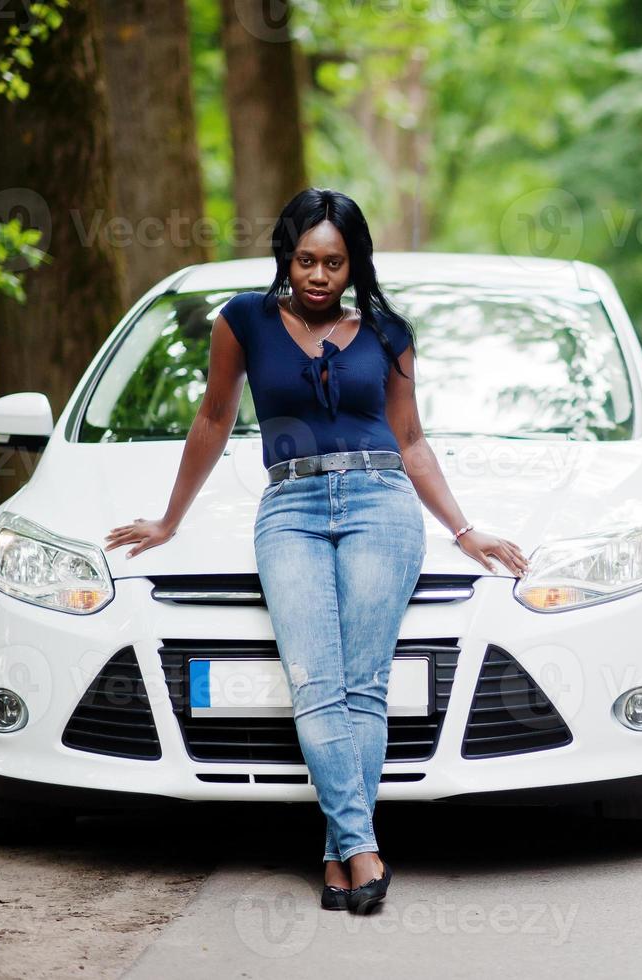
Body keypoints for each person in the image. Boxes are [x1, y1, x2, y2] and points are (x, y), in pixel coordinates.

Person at [102, 187, 529, 915]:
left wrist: (464, 530)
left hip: (380, 504)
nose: (319, 275)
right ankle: (363, 847)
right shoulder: (242, 320)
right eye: (306, 259)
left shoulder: (389, 332)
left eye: (334, 262)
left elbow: (412, 440)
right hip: (289, 508)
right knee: (314, 679)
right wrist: (171, 521)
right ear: (286, 256)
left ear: (353, 263)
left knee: (361, 683)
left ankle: (342, 857)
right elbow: (213, 416)